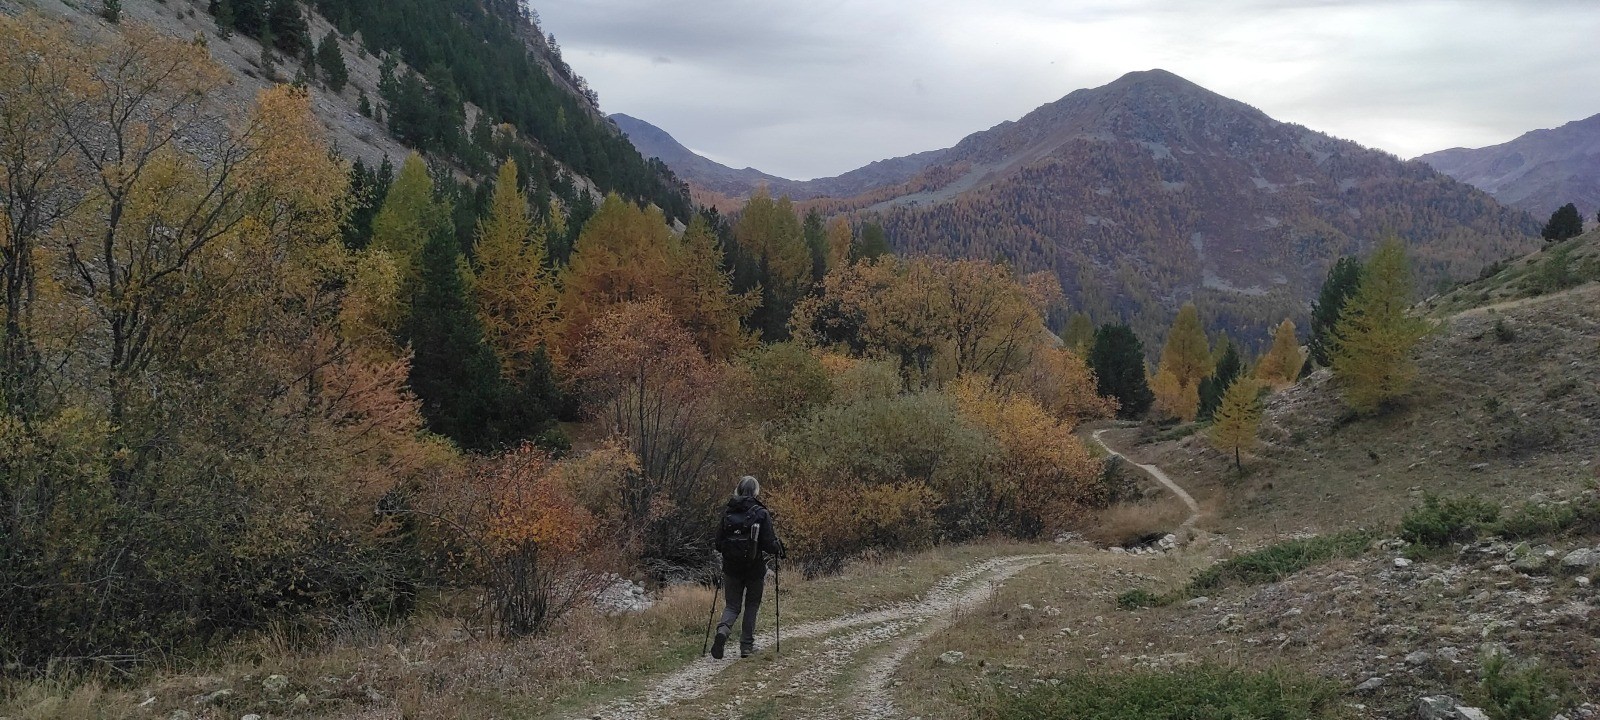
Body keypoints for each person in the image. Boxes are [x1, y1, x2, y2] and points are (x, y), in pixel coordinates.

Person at [712, 475, 785, 659]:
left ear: (738, 490)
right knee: (752, 604)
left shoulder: (728, 512)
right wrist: (778, 547)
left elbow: (718, 544)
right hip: (754, 568)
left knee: (732, 605)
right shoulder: (761, 513)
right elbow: (769, 544)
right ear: (756, 491)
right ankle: (746, 646)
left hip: (731, 568)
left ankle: (723, 631)